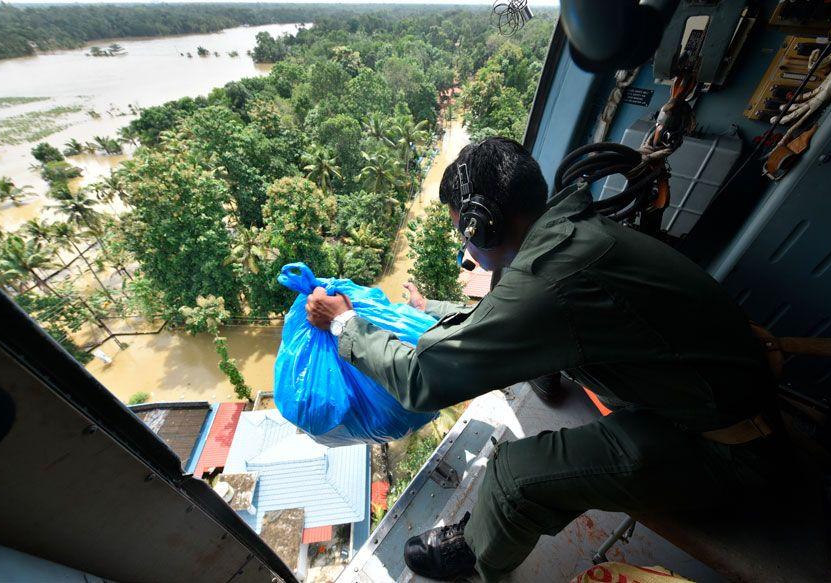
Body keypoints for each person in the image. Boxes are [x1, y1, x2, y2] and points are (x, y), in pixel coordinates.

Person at [305, 137, 787, 581]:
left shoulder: (550, 281)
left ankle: (476, 557)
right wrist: (428, 310)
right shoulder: (574, 235)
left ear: (484, 223)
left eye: (464, 234)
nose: (465, 248)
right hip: (709, 402)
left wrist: (344, 323)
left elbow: (422, 379)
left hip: (729, 453)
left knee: (514, 476)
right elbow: (507, 316)